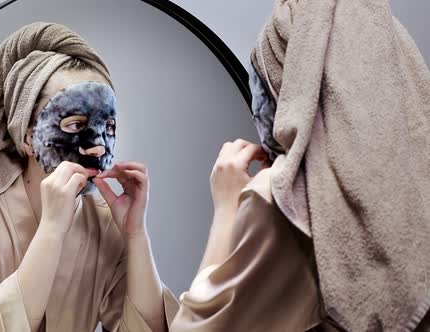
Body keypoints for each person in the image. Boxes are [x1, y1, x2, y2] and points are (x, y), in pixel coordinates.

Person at [170, 0, 430, 331]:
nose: (258, 112)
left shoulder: (286, 196)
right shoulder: (418, 178)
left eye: (261, 88)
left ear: (296, 84)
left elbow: (190, 328)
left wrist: (226, 209)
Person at [0, 22, 178, 332]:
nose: (98, 146)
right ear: (27, 138)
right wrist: (52, 229)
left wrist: (135, 235)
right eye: (76, 126)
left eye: (108, 128)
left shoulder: (105, 223)